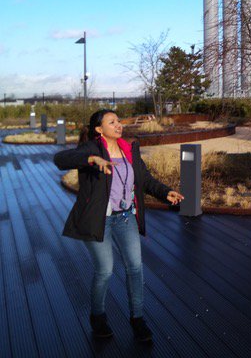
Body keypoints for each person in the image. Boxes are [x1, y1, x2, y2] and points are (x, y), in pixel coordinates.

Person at [54, 109, 184, 342]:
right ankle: (98, 316)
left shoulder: (128, 150)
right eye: (111, 122)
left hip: (126, 218)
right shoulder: (92, 149)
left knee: (135, 267)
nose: (118, 125)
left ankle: (137, 319)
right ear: (98, 130)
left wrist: (166, 193)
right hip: (99, 219)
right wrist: (91, 160)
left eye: (118, 121)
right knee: (105, 270)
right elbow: (60, 159)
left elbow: (145, 180)